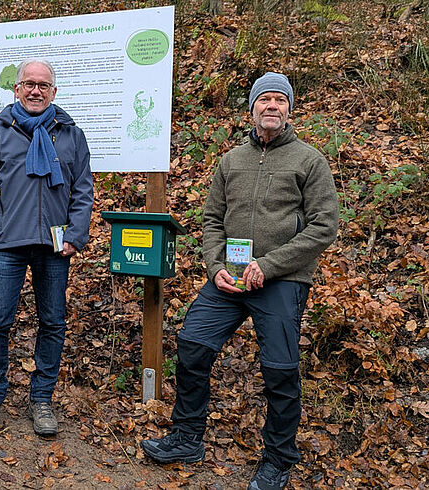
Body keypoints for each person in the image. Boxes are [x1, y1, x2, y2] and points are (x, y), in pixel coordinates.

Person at [139, 72, 339, 490]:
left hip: (281, 280)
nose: (271, 106)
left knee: (280, 369)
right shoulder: (231, 160)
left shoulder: (309, 160)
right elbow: (212, 219)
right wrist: (215, 268)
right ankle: (187, 437)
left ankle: (278, 460)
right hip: (229, 277)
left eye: (279, 100)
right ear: (251, 109)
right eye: (263, 99)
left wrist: (270, 265)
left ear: (289, 109)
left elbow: (324, 227)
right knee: (192, 344)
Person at [0, 60, 94, 438]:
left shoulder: (71, 134)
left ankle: (41, 398)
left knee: (52, 322)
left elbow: (83, 190)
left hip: (55, 247)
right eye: (29, 84)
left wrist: (76, 233)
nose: (36, 91)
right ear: (17, 89)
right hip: (7, 242)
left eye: (44, 85)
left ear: (54, 92)